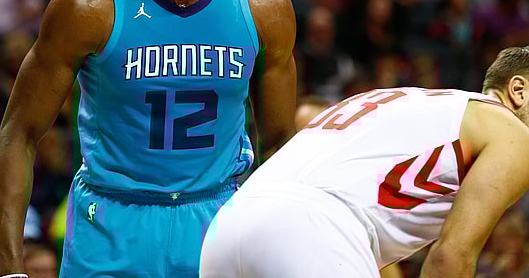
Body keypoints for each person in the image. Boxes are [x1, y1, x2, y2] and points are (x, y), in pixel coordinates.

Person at [0, 0, 297, 278]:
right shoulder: (88, 4)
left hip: (217, 220)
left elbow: (280, 144)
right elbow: (18, 134)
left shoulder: (264, 4)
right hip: (112, 221)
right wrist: (9, 270)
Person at [200, 46, 529, 277]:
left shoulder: (410, 99)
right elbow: (450, 256)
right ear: (518, 89)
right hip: (311, 229)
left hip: (228, 227)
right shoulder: (513, 134)